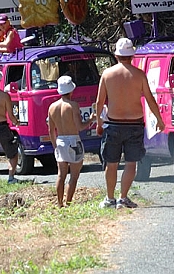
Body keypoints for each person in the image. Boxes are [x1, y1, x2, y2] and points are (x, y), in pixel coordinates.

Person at [95, 38, 165, 209]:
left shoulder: (107, 74)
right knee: (131, 163)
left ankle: (110, 198)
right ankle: (123, 197)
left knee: (111, 163)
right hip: (134, 124)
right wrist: (159, 120)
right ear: (132, 56)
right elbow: (150, 100)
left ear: (116, 55)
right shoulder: (139, 75)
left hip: (113, 123)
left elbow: (99, 102)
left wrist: (98, 122)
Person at [48, 75, 95, 207]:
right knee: (74, 176)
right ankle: (68, 203)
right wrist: (91, 119)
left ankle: (59, 203)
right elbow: (80, 126)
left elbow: (51, 131)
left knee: (61, 175)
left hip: (60, 141)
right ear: (71, 90)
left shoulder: (52, 107)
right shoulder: (73, 105)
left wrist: (55, 146)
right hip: (73, 140)